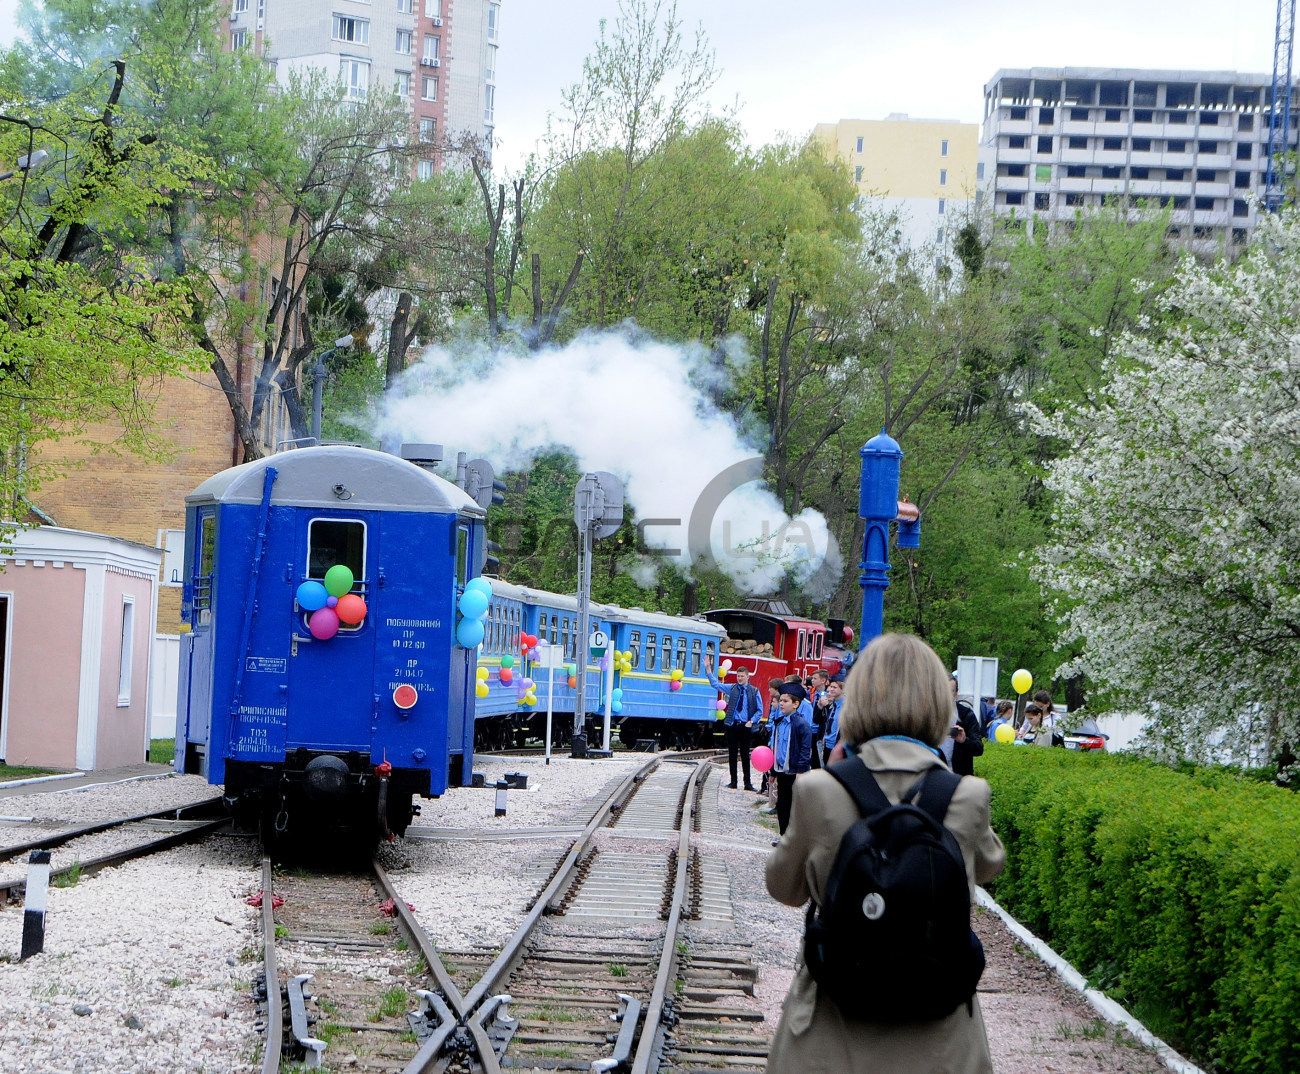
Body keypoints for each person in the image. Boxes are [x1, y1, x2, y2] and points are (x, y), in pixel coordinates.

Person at [766, 633, 1005, 1074]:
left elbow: (784, 888)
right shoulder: (967, 795)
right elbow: (990, 866)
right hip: (941, 1041)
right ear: (938, 703)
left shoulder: (820, 789)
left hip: (829, 1033)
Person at [704, 654, 761, 790]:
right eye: (738, 676)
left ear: (748, 677)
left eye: (742, 676)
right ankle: (733, 781)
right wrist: (708, 670)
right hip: (732, 725)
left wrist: (751, 721)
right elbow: (715, 684)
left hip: (745, 726)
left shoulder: (754, 691)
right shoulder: (732, 688)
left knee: (745, 755)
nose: (740, 679)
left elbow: (759, 711)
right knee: (732, 754)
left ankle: (747, 783)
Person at [769, 681, 813, 839]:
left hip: (795, 772)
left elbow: (804, 750)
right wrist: (773, 770)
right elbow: (777, 749)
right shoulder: (780, 723)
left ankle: (793, 839)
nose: (781, 703)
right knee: (782, 804)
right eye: (780, 700)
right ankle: (783, 836)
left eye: (785, 701)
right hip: (781, 770)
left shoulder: (802, 725)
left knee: (793, 806)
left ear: (796, 704)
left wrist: (801, 770)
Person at [948, 675, 985, 777]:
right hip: (934, 777)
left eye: (951, 691)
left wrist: (964, 741)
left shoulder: (967, 715)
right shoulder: (929, 716)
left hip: (959, 777)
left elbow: (979, 749)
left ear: (956, 692)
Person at [808, 669, 831, 769]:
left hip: (818, 730)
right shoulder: (809, 693)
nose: (812, 680)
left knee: (817, 757)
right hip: (809, 727)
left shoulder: (827, 695)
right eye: (812, 678)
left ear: (823, 680)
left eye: (815, 678)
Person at [819, 677, 845, 765]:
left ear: (843, 689)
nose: (831, 689)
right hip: (827, 745)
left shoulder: (846, 706)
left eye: (835, 687)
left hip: (837, 747)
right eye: (831, 686)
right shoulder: (832, 705)